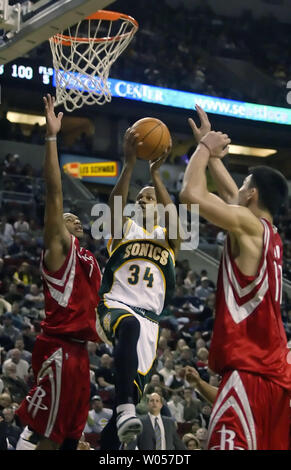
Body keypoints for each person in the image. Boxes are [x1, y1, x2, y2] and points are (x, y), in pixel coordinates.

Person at [179, 104, 291, 450]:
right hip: (273, 379)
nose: (237, 190)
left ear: (253, 194)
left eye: (245, 185)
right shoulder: (270, 235)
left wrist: (201, 151)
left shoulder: (247, 225)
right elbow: (233, 196)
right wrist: (214, 158)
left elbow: (190, 196)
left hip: (247, 372)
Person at [15, 94, 102, 451]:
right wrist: (52, 138)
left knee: (69, 440)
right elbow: (54, 194)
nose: (73, 218)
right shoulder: (58, 249)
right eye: (67, 218)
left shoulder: (90, 261)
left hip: (81, 354)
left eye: (76, 218)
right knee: (49, 438)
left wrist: (128, 163)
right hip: (60, 349)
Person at [97, 127, 180, 448]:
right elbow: (115, 204)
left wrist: (157, 176)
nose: (142, 201)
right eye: (140, 198)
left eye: (149, 198)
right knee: (127, 325)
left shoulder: (167, 236)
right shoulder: (126, 228)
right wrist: (130, 164)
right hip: (116, 304)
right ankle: (125, 407)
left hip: (150, 323)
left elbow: (175, 221)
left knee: (127, 406)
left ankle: (108, 444)